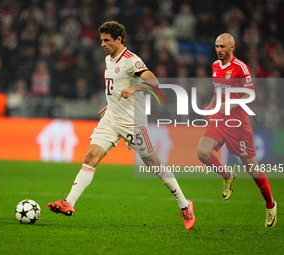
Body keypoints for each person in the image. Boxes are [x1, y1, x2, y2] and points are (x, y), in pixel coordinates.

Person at [48, 21, 195, 230]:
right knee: (91, 157)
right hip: (111, 119)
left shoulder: (131, 61)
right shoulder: (109, 59)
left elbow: (154, 83)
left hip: (133, 122)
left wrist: (134, 90)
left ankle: (184, 204)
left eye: (106, 40)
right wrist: (111, 105)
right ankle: (69, 202)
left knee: (154, 164)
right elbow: (116, 88)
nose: (102, 44)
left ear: (119, 39)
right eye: (101, 40)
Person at [196, 33, 277, 227]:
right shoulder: (215, 66)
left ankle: (270, 205)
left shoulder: (241, 68)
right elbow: (218, 93)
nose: (219, 50)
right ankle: (227, 176)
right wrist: (210, 108)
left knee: (252, 168)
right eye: (216, 46)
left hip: (238, 124)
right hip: (219, 119)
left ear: (232, 47)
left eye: (222, 47)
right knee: (202, 152)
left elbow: (252, 95)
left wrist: (231, 105)